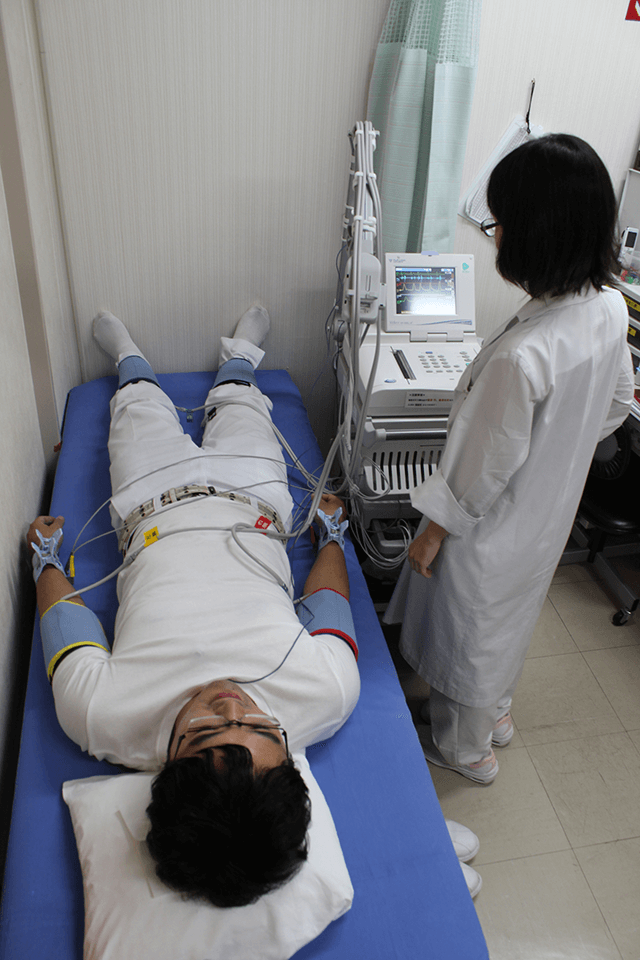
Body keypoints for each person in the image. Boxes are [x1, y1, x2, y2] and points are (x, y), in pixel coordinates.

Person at [27, 305, 361, 907]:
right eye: (259, 726)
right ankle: (238, 360)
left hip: (150, 502)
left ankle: (129, 356)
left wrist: (45, 559)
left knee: (137, 406)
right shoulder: (327, 695)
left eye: (205, 729)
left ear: (167, 768)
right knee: (242, 406)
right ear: (288, 760)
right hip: (255, 500)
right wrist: (332, 538)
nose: (231, 703)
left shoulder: (103, 716)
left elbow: (64, 620)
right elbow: (328, 604)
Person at [385, 134, 635, 784]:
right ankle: (494, 714)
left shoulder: (524, 357)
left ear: (538, 233)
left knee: (470, 632)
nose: (495, 236)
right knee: (509, 620)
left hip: (490, 525)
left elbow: (478, 472)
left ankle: (467, 751)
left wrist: (431, 533)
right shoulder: (608, 305)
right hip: (547, 513)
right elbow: (616, 403)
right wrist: (560, 449)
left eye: (500, 223)